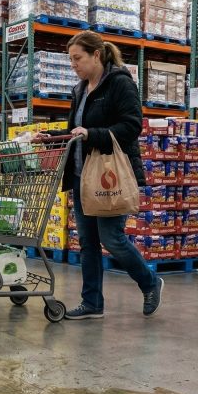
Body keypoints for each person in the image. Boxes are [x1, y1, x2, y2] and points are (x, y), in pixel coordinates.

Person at [44, 31, 163, 319]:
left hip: (108, 176)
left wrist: (92, 134)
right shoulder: (80, 90)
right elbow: (77, 130)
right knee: (87, 243)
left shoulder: (119, 83)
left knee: (112, 238)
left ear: (96, 55)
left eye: (78, 58)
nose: (74, 64)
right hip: (82, 176)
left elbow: (132, 126)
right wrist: (50, 136)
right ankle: (92, 303)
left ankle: (149, 282)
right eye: (70, 59)